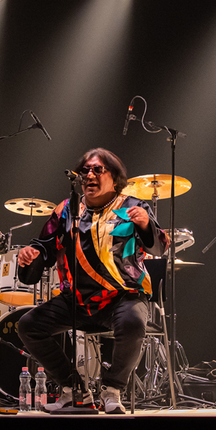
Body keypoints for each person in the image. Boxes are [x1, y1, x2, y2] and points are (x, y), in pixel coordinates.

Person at [15, 148, 169, 414]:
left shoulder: (133, 206)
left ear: (115, 178)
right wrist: (32, 254)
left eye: (98, 169)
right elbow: (45, 246)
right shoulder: (66, 210)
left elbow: (159, 248)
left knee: (132, 323)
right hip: (77, 300)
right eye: (85, 170)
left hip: (123, 295)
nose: (89, 175)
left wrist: (145, 225)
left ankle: (112, 390)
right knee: (28, 325)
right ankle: (73, 389)